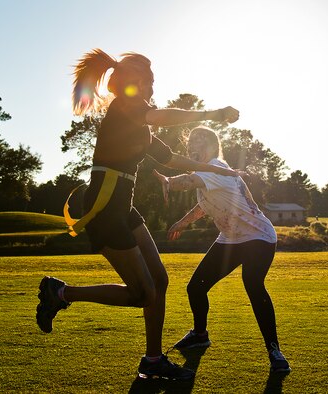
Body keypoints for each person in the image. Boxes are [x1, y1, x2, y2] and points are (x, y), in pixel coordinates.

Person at [36, 49, 240, 381]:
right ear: (139, 82)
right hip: (104, 208)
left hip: (123, 207)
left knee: (159, 280)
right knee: (142, 293)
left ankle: (153, 360)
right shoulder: (126, 106)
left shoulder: (137, 121)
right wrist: (212, 113)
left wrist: (215, 171)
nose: (154, 90)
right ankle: (60, 293)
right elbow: (160, 116)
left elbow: (170, 159)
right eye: (152, 82)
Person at [153, 126, 291, 373]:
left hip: (258, 236)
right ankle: (200, 334)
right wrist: (183, 223)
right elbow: (206, 205)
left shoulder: (217, 167)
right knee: (196, 287)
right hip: (230, 238)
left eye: (197, 143)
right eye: (189, 144)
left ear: (210, 146)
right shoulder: (207, 172)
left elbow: (186, 182)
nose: (191, 148)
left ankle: (275, 351)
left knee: (253, 284)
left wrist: (168, 181)